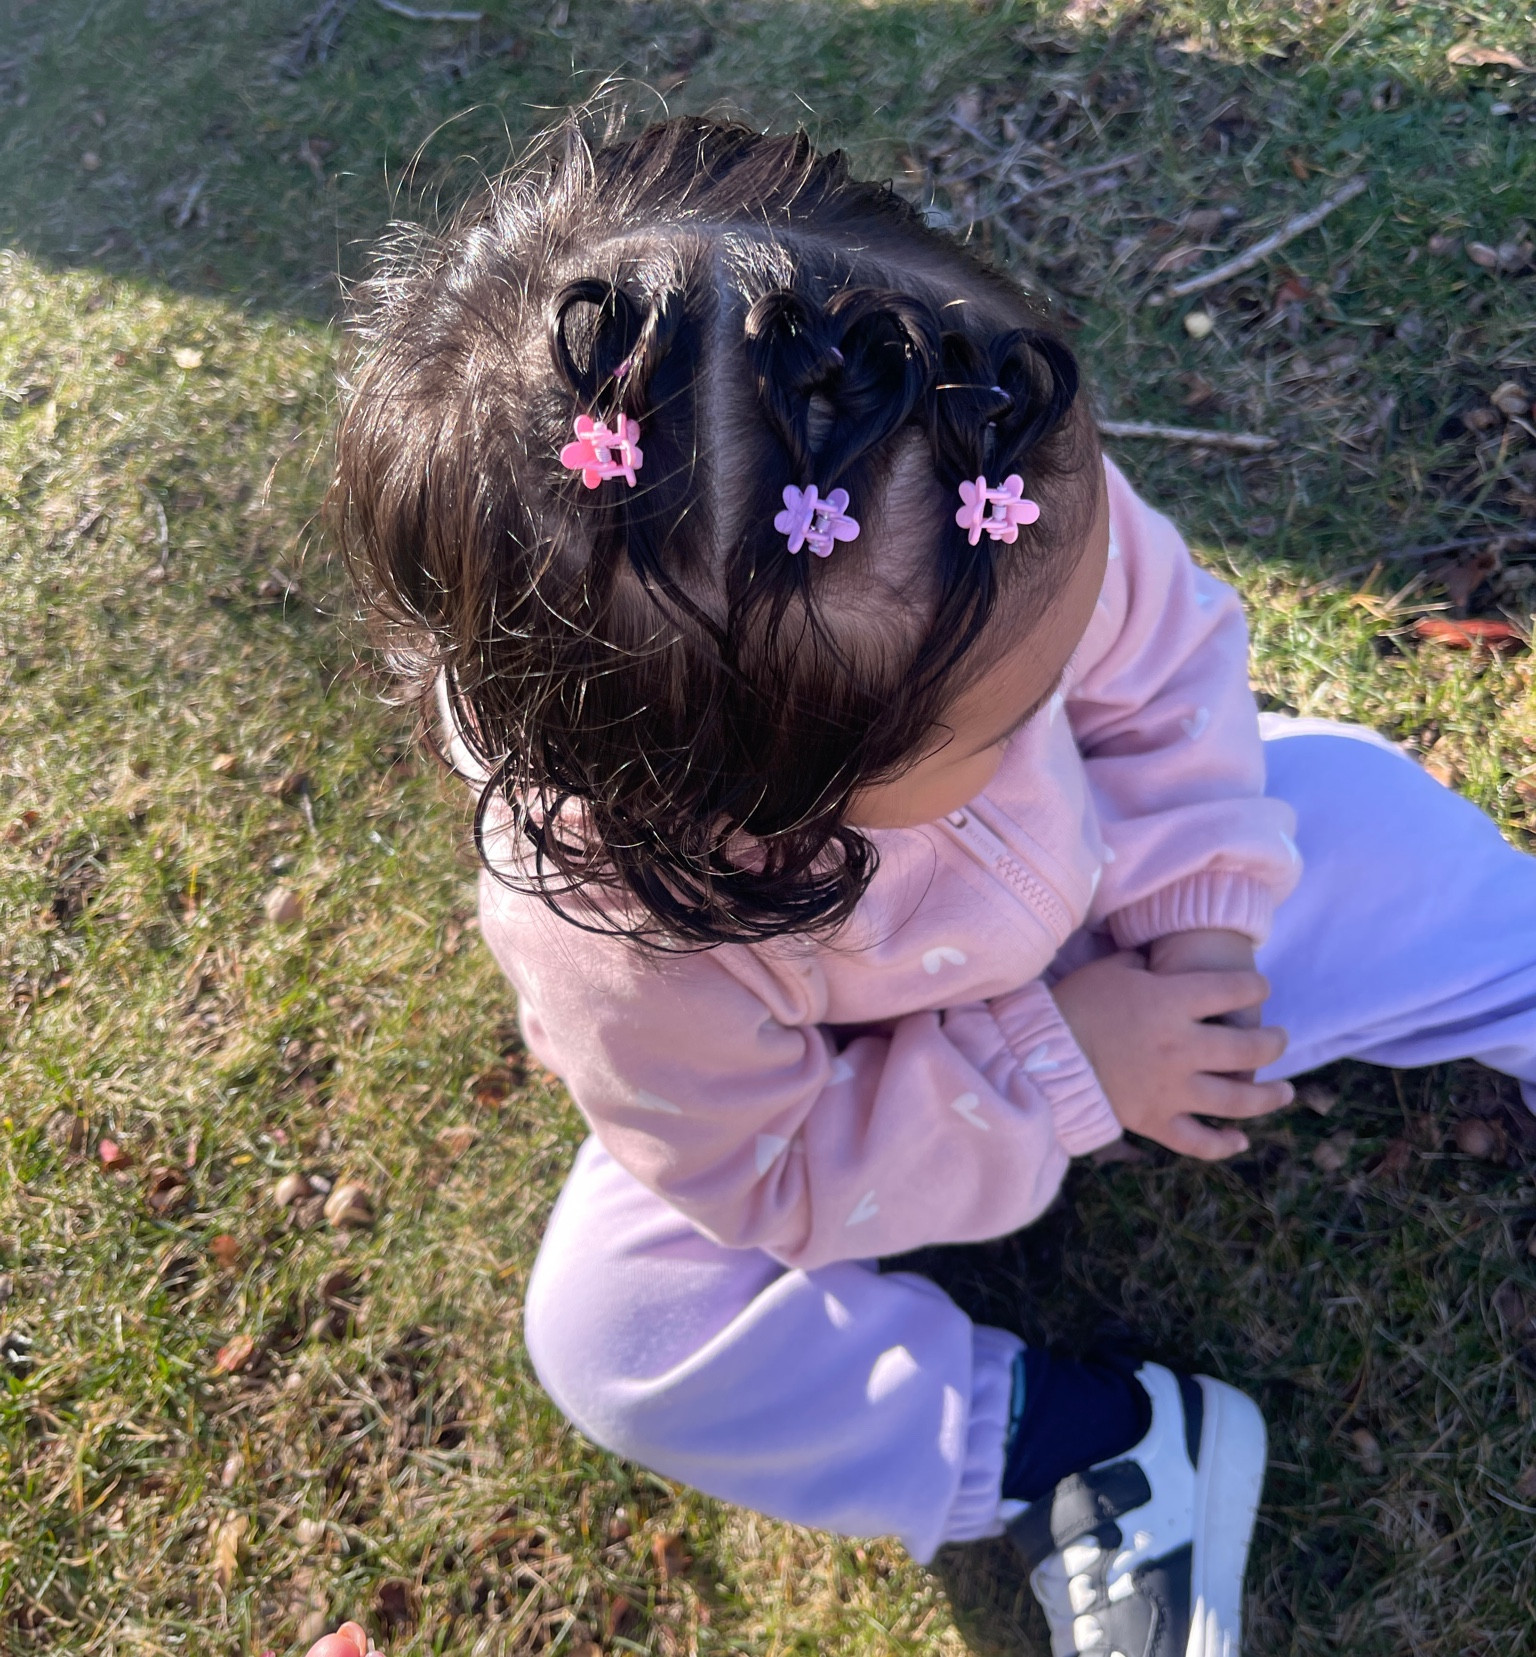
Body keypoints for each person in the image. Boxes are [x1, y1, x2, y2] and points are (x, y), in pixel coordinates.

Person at [329, 114, 1536, 1656]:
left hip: (1112, 889)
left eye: (1075, 601)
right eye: (1012, 711)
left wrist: (1199, 916)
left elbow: (1168, 670)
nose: (1074, 662)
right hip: (858, 1080)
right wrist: (1063, 1064)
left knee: (1362, 816)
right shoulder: (619, 936)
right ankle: (1078, 1447)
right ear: (778, 798)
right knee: (615, 1332)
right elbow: (767, 1171)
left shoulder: (968, 475)